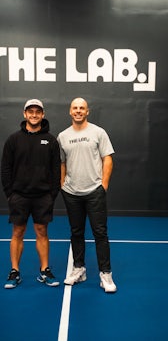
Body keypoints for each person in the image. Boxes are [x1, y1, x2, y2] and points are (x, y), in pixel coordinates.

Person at [57, 97, 117, 292]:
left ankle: (105, 274)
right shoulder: (62, 136)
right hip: (71, 193)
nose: (78, 111)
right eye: (75, 108)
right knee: (76, 232)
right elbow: (62, 163)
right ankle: (79, 269)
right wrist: (63, 185)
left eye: (82, 108)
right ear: (70, 111)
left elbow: (107, 159)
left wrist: (103, 185)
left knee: (100, 233)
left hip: (94, 192)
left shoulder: (98, 132)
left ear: (87, 111)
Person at [1, 99, 61, 288]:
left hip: (43, 196)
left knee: (42, 231)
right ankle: (14, 271)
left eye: (37, 112)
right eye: (30, 111)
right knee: (18, 232)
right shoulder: (13, 139)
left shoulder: (51, 140)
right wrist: (10, 193)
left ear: (42, 115)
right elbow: (5, 168)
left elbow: (56, 169)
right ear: (24, 114)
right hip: (19, 195)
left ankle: (44, 270)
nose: (34, 115)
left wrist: (52, 194)